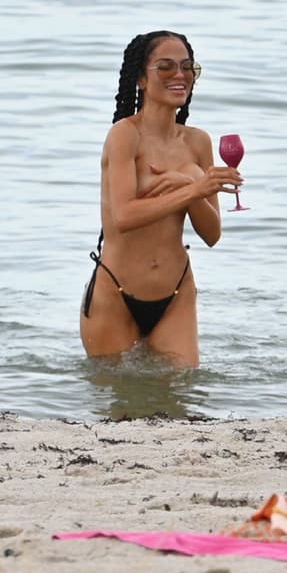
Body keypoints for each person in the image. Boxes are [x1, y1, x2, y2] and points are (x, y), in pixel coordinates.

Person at [79, 31, 242, 367]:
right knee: (117, 408)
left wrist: (191, 181)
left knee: (181, 400)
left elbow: (211, 235)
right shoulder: (125, 135)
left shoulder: (197, 142)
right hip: (117, 292)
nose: (179, 76)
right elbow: (124, 216)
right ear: (141, 77)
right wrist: (194, 188)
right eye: (165, 67)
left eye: (187, 67)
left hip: (176, 292)